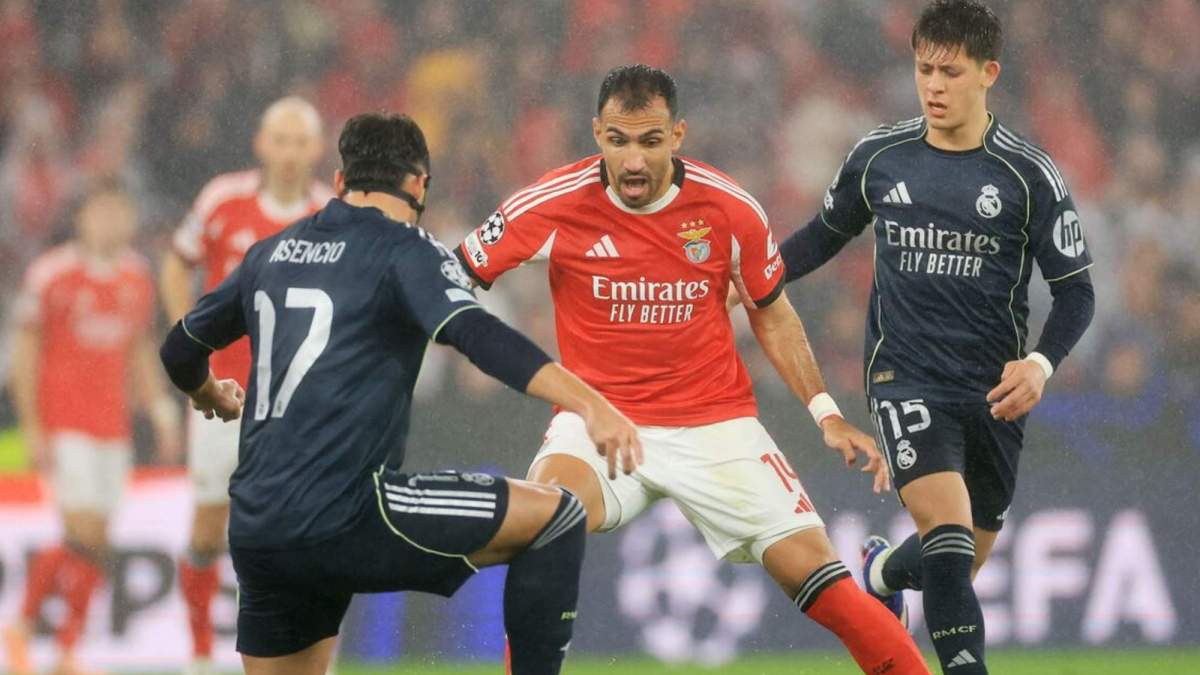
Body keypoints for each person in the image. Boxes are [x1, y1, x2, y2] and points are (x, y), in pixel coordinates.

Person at [455, 64, 928, 674]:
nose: (633, 160)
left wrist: (826, 413)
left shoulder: (728, 208)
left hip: (715, 423)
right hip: (600, 421)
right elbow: (448, 280)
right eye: (618, 140)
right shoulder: (552, 202)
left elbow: (771, 313)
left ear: (677, 135)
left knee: (822, 583)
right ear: (597, 134)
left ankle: (885, 625)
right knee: (543, 521)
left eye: (650, 141)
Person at [158, 112, 642, 675]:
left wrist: (208, 393)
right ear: (419, 183)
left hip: (260, 526)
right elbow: (479, 336)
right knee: (558, 514)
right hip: (348, 513)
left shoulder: (271, 252)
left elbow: (179, 349)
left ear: (340, 181)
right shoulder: (406, 249)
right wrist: (588, 402)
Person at [775, 2, 1096, 672]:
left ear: (988, 74)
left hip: (994, 392)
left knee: (960, 556)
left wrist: (1040, 364)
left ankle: (881, 572)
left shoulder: (1028, 174)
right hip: (905, 378)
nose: (933, 85)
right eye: (924, 69)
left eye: (950, 72)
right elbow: (821, 238)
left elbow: (1076, 292)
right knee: (949, 544)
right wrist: (751, 279)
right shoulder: (879, 157)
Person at [158, 96, 332, 675]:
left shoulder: (329, 215)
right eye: (280, 140)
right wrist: (191, 345)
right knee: (209, 527)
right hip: (222, 394)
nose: (289, 153)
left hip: (298, 403)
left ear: (316, 149)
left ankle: (307, 655)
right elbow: (175, 263)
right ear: (261, 144)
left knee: (303, 530)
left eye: (299, 142)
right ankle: (200, 655)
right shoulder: (222, 200)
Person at [3, 184, 180, 675]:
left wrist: (161, 411)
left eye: (119, 212)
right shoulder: (52, 274)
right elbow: (25, 353)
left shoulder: (136, 275)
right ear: (81, 218)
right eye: (102, 212)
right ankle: (22, 627)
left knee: (96, 539)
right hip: (64, 423)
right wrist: (33, 426)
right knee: (83, 530)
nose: (111, 221)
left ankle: (65, 652)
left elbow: (140, 348)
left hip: (112, 426)